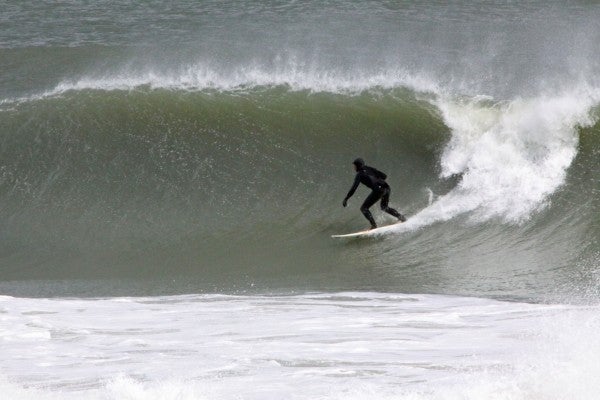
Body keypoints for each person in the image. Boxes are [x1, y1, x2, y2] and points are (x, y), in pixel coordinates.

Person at [342, 158, 406, 229]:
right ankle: (401, 217)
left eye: (354, 166)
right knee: (384, 207)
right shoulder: (369, 168)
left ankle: (374, 226)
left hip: (379, 190)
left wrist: (346, 198)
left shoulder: (359, 175)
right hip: (387, 188)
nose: (354, 167)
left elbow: (353, 188)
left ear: (358, 166)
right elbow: (384, 176)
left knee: (364, 208)